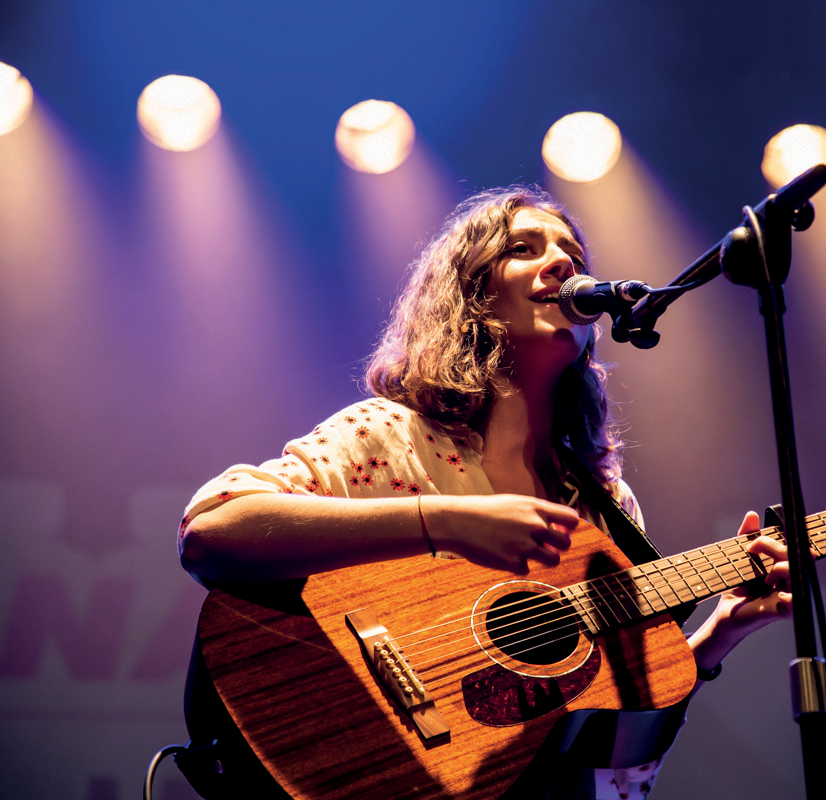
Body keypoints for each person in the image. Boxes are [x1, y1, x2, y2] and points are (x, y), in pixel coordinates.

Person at [178, 185, 793, 799]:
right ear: (471, 296)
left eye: (574, 258)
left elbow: (610, 766)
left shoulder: (606, 509)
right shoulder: (389, 436)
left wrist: (716, 636)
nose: (562, 265)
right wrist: (443, 519)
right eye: (523, 249)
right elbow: (212, 532)